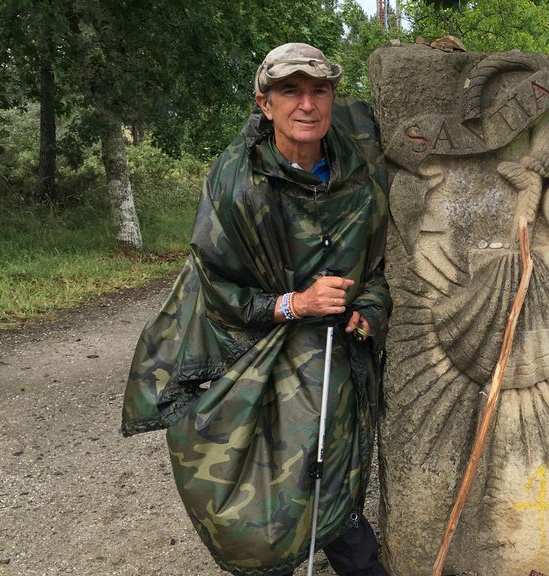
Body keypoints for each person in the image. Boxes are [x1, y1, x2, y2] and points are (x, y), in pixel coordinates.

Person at [121, 43, 391, 576]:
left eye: (320, 91)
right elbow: (217, 290)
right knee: (264, 492)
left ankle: (354, 552)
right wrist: (297, 303)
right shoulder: (236, 184)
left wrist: (370, 309)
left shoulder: (361, 157)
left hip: (339, 354)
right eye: (290, 91)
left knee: (333, 477)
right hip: (254, 351)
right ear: (265, 104)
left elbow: (382, 266)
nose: (307, 105)